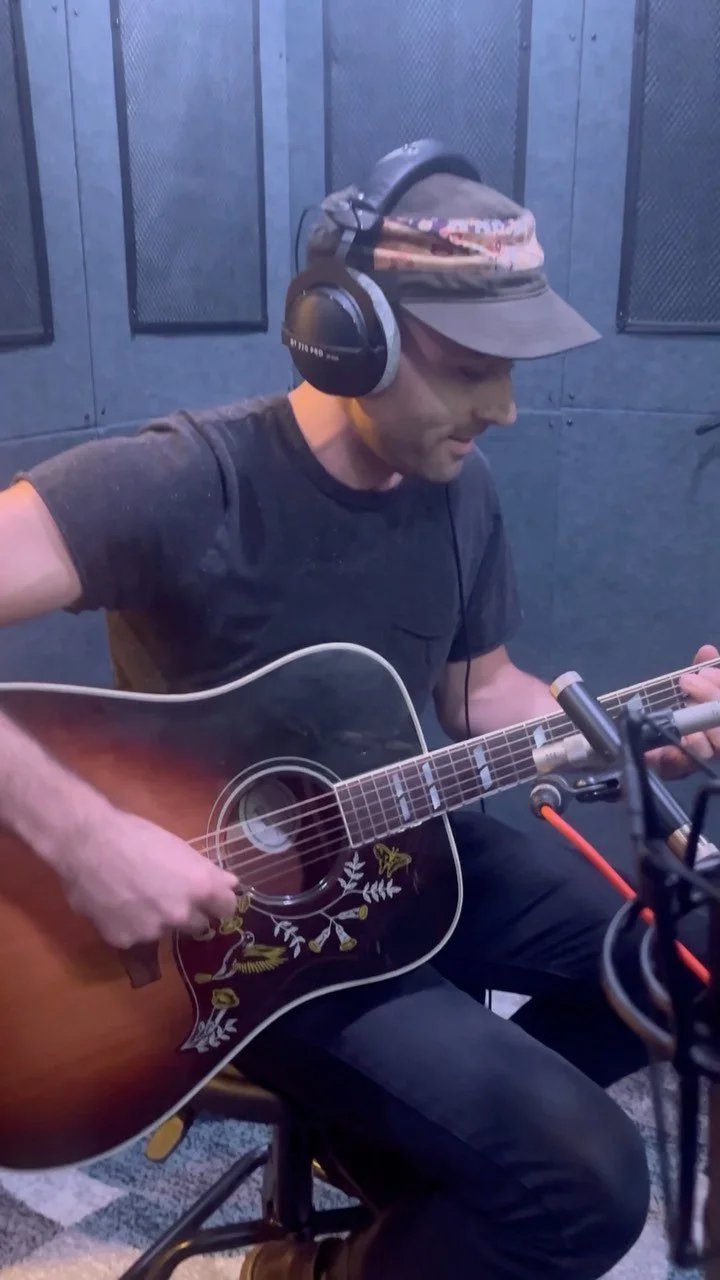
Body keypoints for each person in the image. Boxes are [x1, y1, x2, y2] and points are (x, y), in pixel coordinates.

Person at [1, 140, 719, 1280]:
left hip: (403, 848)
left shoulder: (458, 489)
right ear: (347, 334)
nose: (505, 409)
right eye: (472, 367)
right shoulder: (184, 480)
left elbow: (482, 693)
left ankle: (422, 1169)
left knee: (696, 947)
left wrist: (645, 728)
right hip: (230, 945)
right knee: (588, 1187)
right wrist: (88, 840)